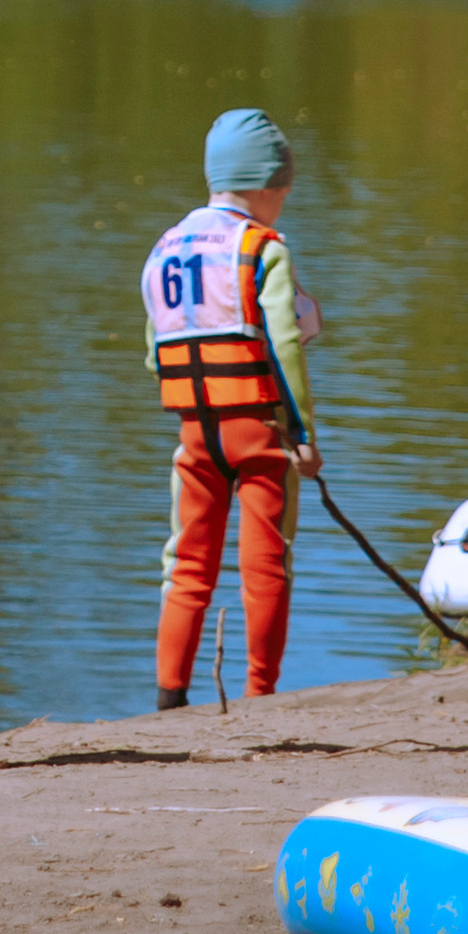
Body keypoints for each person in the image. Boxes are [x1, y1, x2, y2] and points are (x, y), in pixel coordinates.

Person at [141, 106, 322, 708]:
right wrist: (303, 435)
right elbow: (284, 345)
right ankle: (258, 697)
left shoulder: (164, 249)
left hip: (195, 433)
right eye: (284, 191)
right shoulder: (263, 248)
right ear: (268, 185)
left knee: (186, 563)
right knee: (266, 563)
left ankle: (169, 699)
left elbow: (155, 355)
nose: (284, 201)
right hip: (259, 430)